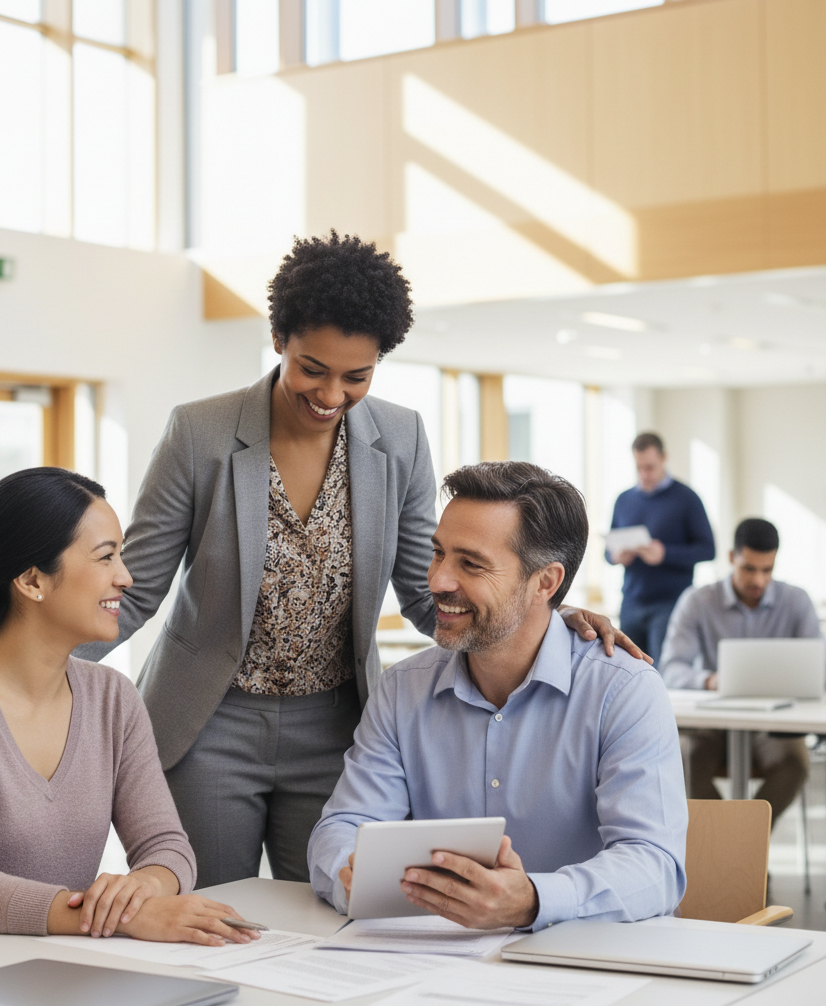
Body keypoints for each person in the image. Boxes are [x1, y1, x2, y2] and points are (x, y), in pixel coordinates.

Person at [78, 232, 643, 889]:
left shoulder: (399, 439)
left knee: (333, 909)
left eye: (357, 376)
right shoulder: (199, 433)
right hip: (210, 723)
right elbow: (135, 586)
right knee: (209, 911)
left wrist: (544, 615)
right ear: (278, 342)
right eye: (312, 368)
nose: (332, 393)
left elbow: (427, 587)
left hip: (338, 728)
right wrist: (26, 663)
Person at [0, 467, 258, 961]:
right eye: (106, 557)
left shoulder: (114, 698)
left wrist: (148, 885)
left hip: (44, 965)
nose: (125, 577)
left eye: (121, 556)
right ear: (32, 581)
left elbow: (167, 845)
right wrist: (127, 919)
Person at [309, 461, 687, 929]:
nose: (437, 581)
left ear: (545, 583)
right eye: (437, 554)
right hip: (432, 965)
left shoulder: (624, 692)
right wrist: (351, 871)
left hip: (581, 968)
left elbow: (655, 866)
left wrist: (534, 899)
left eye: (470, 564)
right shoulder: (402, 690)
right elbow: (342, 827)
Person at [661, 517, 821, 824]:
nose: (758, 580)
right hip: (713, 723)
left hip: (775, 725)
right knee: (686, 757)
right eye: (749, 568)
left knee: (795, 763)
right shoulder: (697, 601)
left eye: (767, 570)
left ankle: (744, 848)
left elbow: (819, 670)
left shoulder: (796, 602)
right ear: (732, 558)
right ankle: (734, 851)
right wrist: (709, 680)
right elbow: (671, 667)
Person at [607, 432, 715, 664]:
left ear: (664, 458)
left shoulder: (687, 498)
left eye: (650, 467)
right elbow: (608, 552)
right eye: (639, 467)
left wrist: (665, 554)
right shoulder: (624, 500)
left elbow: (708, 549)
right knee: (628, 672)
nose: (644, 474)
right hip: (631, 602)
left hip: (670, 603)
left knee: (663, 672)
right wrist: (617, 556)